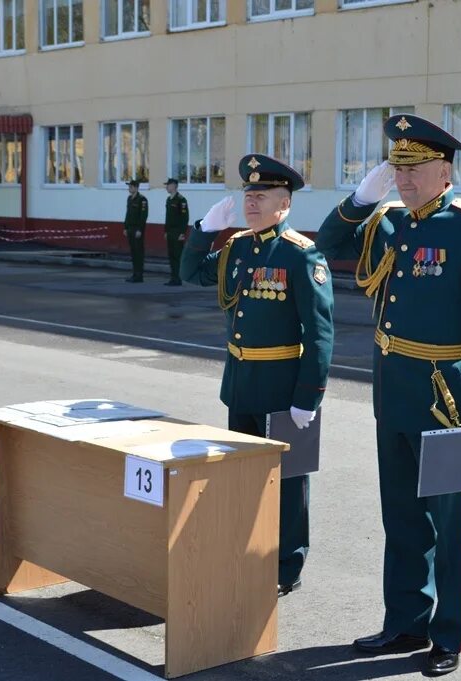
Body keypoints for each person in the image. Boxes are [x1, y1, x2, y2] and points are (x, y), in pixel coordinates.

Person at [316, 114, 461, 677]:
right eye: (396, 169)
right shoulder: (391, 222)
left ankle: (447, 634)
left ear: (444, 171)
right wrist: (362, 197)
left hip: (448, 395)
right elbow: (325, 244)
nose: (401, 180)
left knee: (449, 525)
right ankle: (405, 619)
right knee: (402, 515)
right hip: (396, 389)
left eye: (412, 170)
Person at [181, 154, 334, 597]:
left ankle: (287, 566)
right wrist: (205, 231)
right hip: (242, 384)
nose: (251, 202)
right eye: (248, 195)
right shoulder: (236, 247)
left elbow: (320, 333)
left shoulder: (300, 255)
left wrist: (309, 396)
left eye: (261, 195)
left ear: (283, 204)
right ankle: (250, 552)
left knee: (287, 482)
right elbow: (189, 272)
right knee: (245, 478)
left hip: (282, 387)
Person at [163, 178, 188, 285]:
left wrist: (182, 233)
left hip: (178, 232)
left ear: (174, 186)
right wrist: (166, 231)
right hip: (170, 232)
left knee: (178, 256)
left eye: (168, 185)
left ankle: (178, 278)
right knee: (171, 255)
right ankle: (173, 277)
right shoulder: (169, 200)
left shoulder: (181, 200)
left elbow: (185, 218)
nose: (166, 187)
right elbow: (168, 218)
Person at [124, 179, 148, 282]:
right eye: (129, 186)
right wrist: (125, 227)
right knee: (133, 252)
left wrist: (140, 229)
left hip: (137, 229)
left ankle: (139, 275)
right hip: (130, 228)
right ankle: (134, 274)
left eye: (131, 186)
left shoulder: (142, 200)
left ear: (136, 188)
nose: (129, 188)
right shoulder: (129, 199)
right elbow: (128, 214)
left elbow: (143, 216)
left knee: (138, 252)